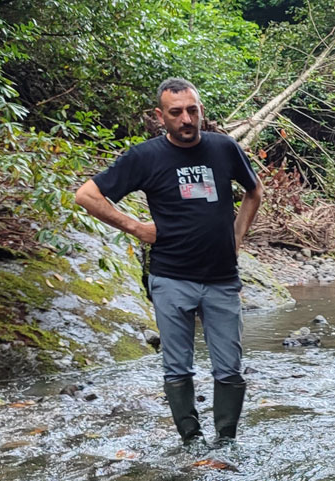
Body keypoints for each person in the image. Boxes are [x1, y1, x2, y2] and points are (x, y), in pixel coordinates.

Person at [73, 78, 264, 446]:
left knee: (230, 369)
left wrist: (236, 237)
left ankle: (226, 444)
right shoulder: (145, 156)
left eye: (193, 110)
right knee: (177, 367)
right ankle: (191, 442)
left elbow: (254, 191)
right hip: (171, 278)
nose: (186, 119)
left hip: (222, 278)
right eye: (176, 113)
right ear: (161, 116)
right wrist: (137, 228)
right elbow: (87, 195)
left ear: (201, 110)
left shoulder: (223, 148)